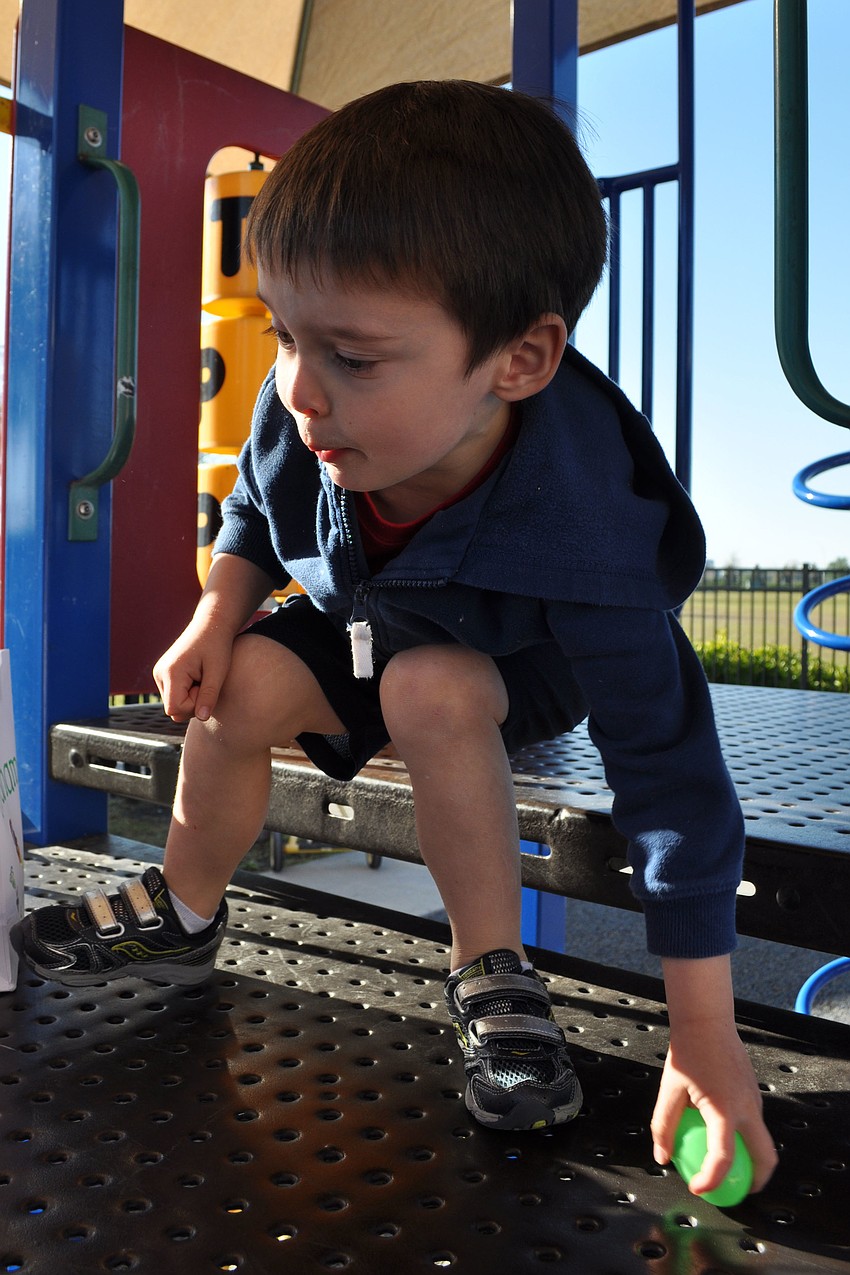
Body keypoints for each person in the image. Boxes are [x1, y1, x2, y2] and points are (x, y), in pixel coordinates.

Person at [12, 80, 777, 1196]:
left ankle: (492, 973)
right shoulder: (308, 404)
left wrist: (703, 1029)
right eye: (284, 333)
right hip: (373, 612)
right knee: (246, 683)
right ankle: (183, 908)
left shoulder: (584, 527)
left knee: (431, 688)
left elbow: (671, 775)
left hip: (511, 661)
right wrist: (214, 616)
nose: (298, 387)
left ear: (519, 360)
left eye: (354, 358)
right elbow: (255, 507)